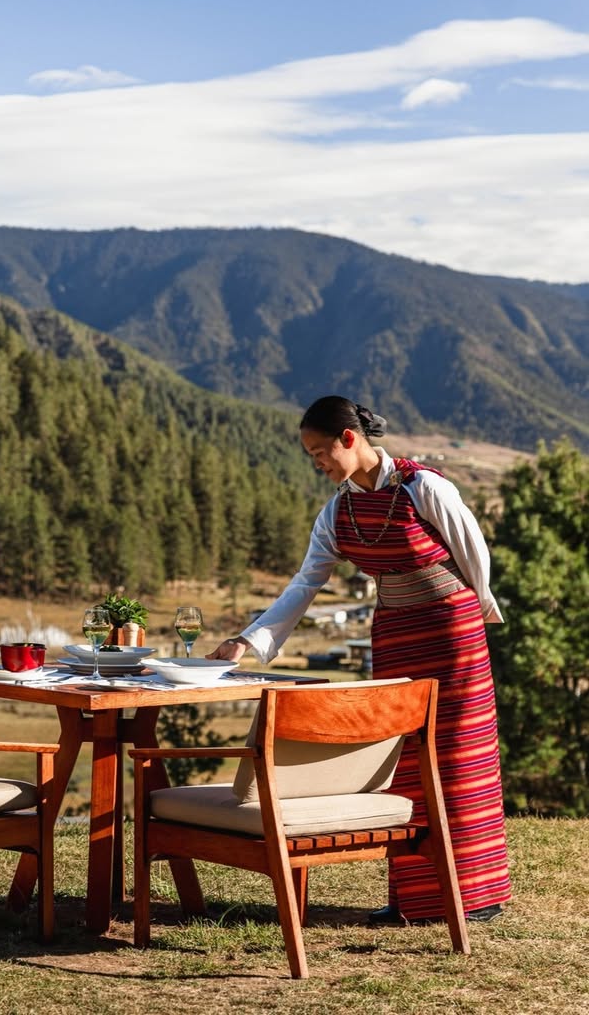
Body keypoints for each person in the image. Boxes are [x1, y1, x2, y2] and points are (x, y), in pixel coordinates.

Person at [208, 395, 511, 925]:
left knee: (459, 756)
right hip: (394, 634)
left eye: (321, 451)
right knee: (403, 760)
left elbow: (473, 555)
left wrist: (473, 618)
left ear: (351, 439)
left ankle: (475, 896)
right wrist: (248, 641)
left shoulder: (426, 488)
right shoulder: (337, 511)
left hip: (451, 634)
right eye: (311, 456)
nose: (318, 463)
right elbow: (306, 583)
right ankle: (414, 899)